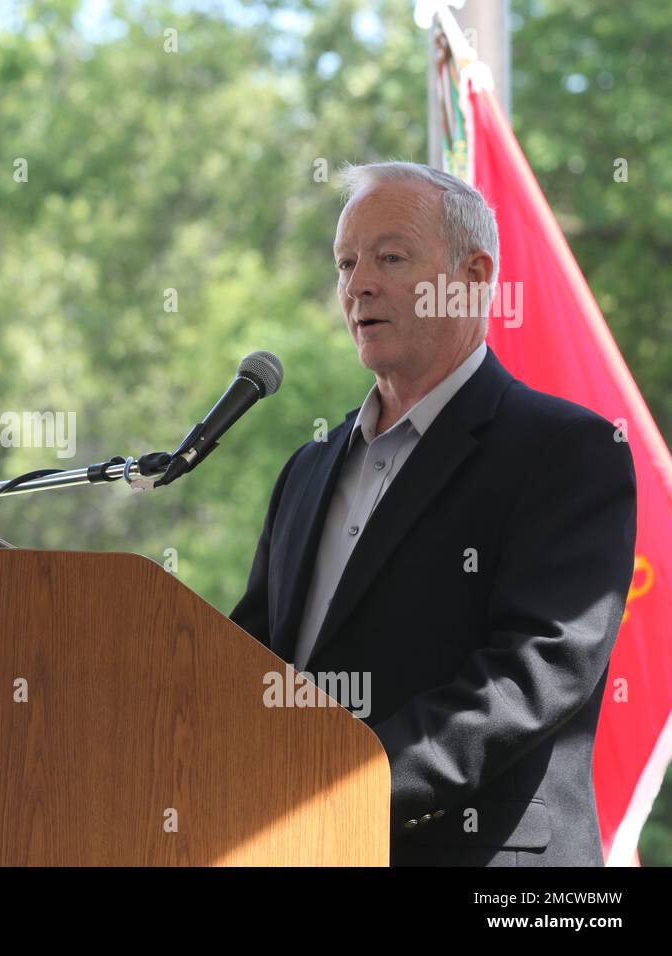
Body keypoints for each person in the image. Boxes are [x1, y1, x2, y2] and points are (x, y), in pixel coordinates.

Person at [229, 161, 637, 866]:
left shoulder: (566, 450)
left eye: (390, 257)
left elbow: (535, 673)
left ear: (475, 277)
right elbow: (250, 663)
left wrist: (353, 784)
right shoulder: (307, 469)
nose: (358, 284)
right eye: (346, 262)